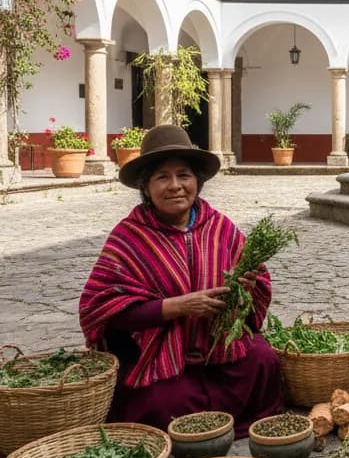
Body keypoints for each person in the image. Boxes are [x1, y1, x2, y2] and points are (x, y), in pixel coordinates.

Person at [79, 125, 283, 435]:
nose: (175, 186)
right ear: (146, 187)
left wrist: (247, 288)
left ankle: (227, 424)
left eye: (184, 175)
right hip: (161, 357)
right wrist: (177, 307)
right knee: (158, 402)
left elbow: (257, 288)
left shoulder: (220, 227)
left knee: (263, 361)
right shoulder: (129, 237)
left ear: (197, 182)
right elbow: (104, 309)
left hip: (219, 351)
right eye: (162, 177)